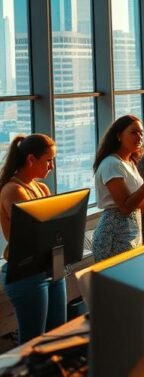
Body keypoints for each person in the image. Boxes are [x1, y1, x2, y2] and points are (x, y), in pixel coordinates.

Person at [0, 135, 64, 343]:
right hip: (26, 271)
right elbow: (33, 234)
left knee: (57, 336)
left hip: (49, 265)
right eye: (48, 160)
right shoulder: (13, 190)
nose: (51, 166)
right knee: (33, 342)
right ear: (30, 159)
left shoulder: (41, 188)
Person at [92, 115, 144, 261]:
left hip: (132, 232)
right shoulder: (111, 164)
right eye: (134, 132)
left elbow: (141, 206)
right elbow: (125, 207)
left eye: (141, 133)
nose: (139, 137)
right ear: (119, 135)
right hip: (115, 234)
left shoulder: (129, 163)